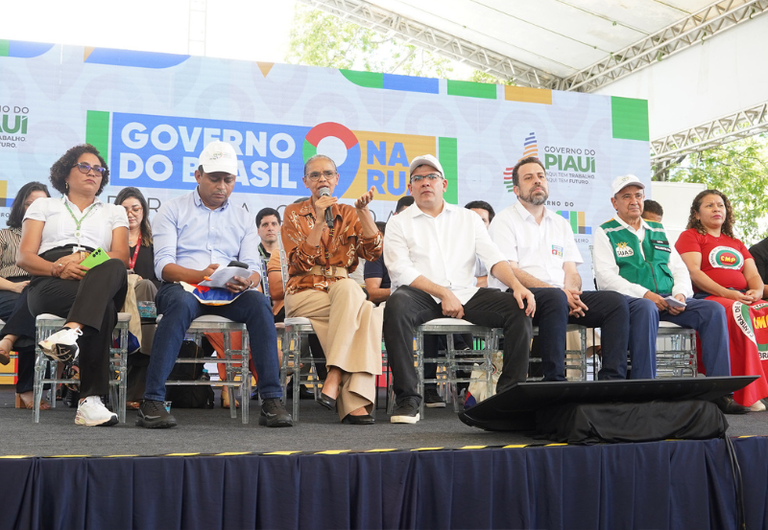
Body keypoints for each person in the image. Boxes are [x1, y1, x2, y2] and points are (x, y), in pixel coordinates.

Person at [137, 140, 292, 429]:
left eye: (228, 180)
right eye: (214, 178)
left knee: (258, 303)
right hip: (184, 287)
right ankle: (152, 401)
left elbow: (254, 267)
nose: (221, 186)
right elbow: (164, 266)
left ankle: (271, 399)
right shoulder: (172, 210)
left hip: (229, 291)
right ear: (198, 175)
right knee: (180, 304)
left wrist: (248, 281)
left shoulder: (244, 218)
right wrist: (199, 276)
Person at [383, 154, 535, 424]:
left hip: (467, 293)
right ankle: (408, 397)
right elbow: (400, 270)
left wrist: (517, 285)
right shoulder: (399, 222)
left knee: (517, 307)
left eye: (431, 177)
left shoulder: (468, 219)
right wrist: (442, 292)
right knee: (396, 305)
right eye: (418, 179)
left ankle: (509, 395)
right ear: (410, 188)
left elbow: (493, 258)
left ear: (444, 184)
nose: (425, 183)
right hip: (421, 295)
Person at [593, 175, 747, 414]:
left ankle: (719, 393)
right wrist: (646, 294)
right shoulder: (606, 232)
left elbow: (679, 269)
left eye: (638, 196)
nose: (634, 201)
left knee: (713, 310)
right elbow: (606, 279)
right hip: (634, 300)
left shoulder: (657, 229)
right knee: (646, 309)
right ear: (615, 202)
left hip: (669, 297)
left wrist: (682, 295)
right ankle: (646, 390)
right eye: (626, 196)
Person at [17, 144, 130, 426]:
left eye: (98, 169)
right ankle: (89, 403)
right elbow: (24, 257)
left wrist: (83, 259)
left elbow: (122, 256)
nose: (93, 173)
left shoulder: (114, 211)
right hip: (50, 279)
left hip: (99, 272)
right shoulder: (45, 206)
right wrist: (57, 268)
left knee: (114, 266)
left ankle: (69, 332)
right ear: (65, 174)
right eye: (84, 166)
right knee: (102, 310)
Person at [489, 157, 630, 381]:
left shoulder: (560, 223)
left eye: (541, 176)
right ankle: (553, 379)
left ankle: (612, 380)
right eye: (529, 178)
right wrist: (561, 295)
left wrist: (571, 293)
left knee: (615, 303)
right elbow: (510, 270)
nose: (537, 181)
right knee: (554, 297)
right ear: (516, 189)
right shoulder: (504, 220)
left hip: (560, 297)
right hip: (520, 297)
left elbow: (571, 270)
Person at [281, 154, 383, 425]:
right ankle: (351, 395)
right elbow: (298, 262)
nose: (322, 179)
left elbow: (374, 252)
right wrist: (316, 220)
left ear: (337, 180)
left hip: (340, 291)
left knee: (354, 298)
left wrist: (364, 213)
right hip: (304, 292)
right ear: (305, 182)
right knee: (364, 312)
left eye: (327, 174)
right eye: (315, 175)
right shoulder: (293, 213)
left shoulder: (350, 213)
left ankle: (336, 378)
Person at [675, 189, 768, 410]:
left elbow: (753, 275)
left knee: (763, 308)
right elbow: (694, 273)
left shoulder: (736, 242)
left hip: (739, 296)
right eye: (709, 205)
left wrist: (755, 291)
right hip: (709, 297)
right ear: (696, 214)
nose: (717, 209)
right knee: (740, 311)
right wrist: (728, 294)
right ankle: (748, 391)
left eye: (720, 205)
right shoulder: (691, 236)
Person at [0, 182, 50, 408]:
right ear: (20, 206)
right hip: (7, 289)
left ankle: (7, 339)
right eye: (30, 203)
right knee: (34, 310)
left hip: (39, 289)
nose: (34, 208)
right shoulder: (4, 235)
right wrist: (14, 287)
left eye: (41, 204)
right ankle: (27, 388)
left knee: (38, 311)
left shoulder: (51, 240)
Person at [114, 187, 159, 409]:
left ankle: (140, 351)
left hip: (146, 303)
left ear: (144, 211)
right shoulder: (111, 240)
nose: (131, 213)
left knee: (146, 287)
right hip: (117, 299)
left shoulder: (155, 243)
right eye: (125, 209)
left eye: (136, 208)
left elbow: (163, 278)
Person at [465, 200, 495, 288]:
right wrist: (492, 279)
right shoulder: (453, 246)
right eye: (473, 219)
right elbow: (459, 282)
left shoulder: (498, 245)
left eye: (483, 220)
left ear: (490, 225)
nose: (477, 224)